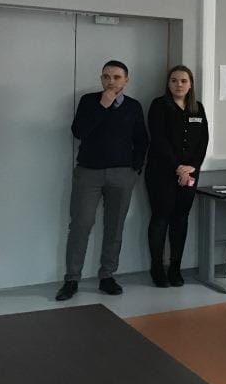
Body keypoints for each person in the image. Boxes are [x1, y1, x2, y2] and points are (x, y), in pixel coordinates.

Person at [56, 60, 149, 301]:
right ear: (101, 79)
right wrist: (102, 106)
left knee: (115, 226)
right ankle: (72, 279)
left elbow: (141, 140)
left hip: (122, 174)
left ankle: (107, 275)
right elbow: (78, 132)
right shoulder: (89, 101)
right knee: (81, 224)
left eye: (116, 77)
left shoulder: (133, 106)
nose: (111, 81)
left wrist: (134, 170)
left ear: (126, 80)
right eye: (106, 77)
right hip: (89, 173)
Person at [145, 65, 208, 288]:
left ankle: (175, 267)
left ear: (190, 84)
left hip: (189, 174)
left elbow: (203, 142)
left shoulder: (197, 108)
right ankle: (157, 268)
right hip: (161, 173)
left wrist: (191, 167)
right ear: (168, 83)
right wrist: (178, 167)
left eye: (183, 81)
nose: (178, 85)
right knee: (160, 217)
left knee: (181, 218)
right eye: (174, 80)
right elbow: (158, 139)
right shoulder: (159, 105)